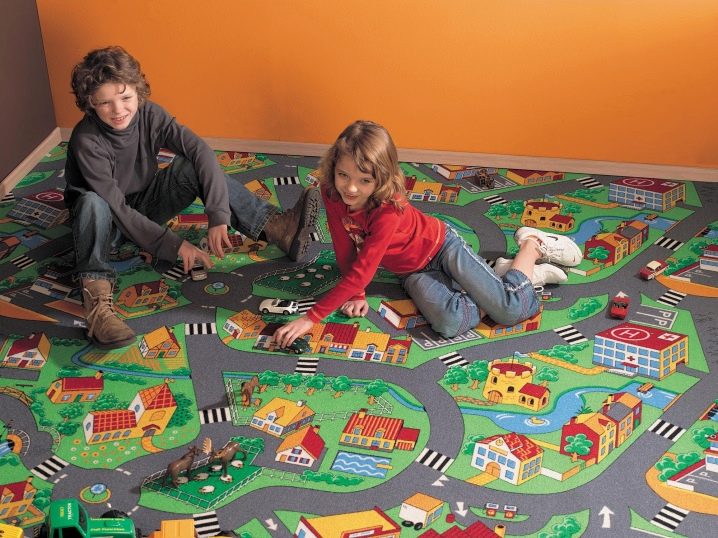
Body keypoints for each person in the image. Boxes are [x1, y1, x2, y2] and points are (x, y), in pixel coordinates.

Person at [64, 46, 320, 349]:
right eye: (105, 102)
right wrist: (174, 245)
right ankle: (97, 305)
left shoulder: (150, 114)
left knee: (188, 168)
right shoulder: (87, 139)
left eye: (125, 98)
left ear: (138, 91)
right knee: (92, 202)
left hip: (143, 205)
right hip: (105, 224)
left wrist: (218, 215)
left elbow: (200, 152)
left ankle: (277, 228)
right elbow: (117, 207)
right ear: (90, 103)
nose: (118, 110)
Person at [273, 120, 583, 346]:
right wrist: (356, 294)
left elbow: (363, 271)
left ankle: (531, 246)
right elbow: (344, 247)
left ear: (382, 179)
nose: (350, 188)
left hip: (443, 247)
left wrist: (310, 318)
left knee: (510, 311)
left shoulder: (388, 208)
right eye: (343, 175)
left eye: (364, 181)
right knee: (450, 323)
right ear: (333, 167)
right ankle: (502, 278)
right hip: (410, 270)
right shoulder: (331, 193)